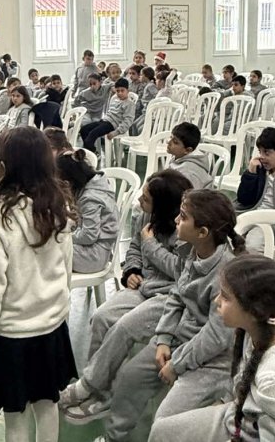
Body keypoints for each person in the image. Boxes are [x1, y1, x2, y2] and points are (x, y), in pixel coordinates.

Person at [72, 190, 244, 440]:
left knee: (164, 423)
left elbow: (216, 338)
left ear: (203, 232)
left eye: (183, 217)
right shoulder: (191, 251)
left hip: (212, 360)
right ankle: (114, 436)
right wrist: (163, 339)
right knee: (130, 378)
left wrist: (177, 363)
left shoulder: (225, 275)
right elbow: (177, 295)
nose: (176, 220)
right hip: (179, 340)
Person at [148, 254, 275, 442]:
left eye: (225, 297)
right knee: (161, 431)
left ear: (254, 311)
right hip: (243, 413)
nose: (217, 301)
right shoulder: (265, 322)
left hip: (258, 430)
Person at [0, 127, 76, 442]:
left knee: (15, 417)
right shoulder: (59, 208)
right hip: (52, 328)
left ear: (4, 167)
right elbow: (66, 270)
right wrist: (58, 310)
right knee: (48, 405)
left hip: (12, 337)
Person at [60, 170, 193, 422]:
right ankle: (100, 390)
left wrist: (150, 245)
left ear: (164, 206)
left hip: (169, 295)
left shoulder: (184, 230)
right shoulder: (145, 216)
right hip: (144, 287)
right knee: (101, 317)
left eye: (146, 199)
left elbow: (180, 272)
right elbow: (134, 247)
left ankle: (92, 387)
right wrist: (132, 270)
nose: (140, 202)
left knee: (123, 328)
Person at [56, 149, 119, 273]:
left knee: (50, 251)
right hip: (93, 249)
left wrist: (65, 236)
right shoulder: (94, 182)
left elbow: (89, 236)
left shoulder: (90, 199)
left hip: (94, 256)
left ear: (68, 183)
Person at [80, 78, 136, 153]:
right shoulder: (115, 98)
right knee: (84, 130)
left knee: (92, 135)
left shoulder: (129, 104)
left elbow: (128, 121)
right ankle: (92, 151)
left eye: (122, 90)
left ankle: (91, 153)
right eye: (117, 91)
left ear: (128, 91)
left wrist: (116, 132)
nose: (120, 93)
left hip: (112, 125)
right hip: (105, 121)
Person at [166, 122, 213, 189]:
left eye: (175, 142)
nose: (168, 142)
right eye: (171, 137)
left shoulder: (189, 173)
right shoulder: (179, 157)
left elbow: (190, 194)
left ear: (188, 150)